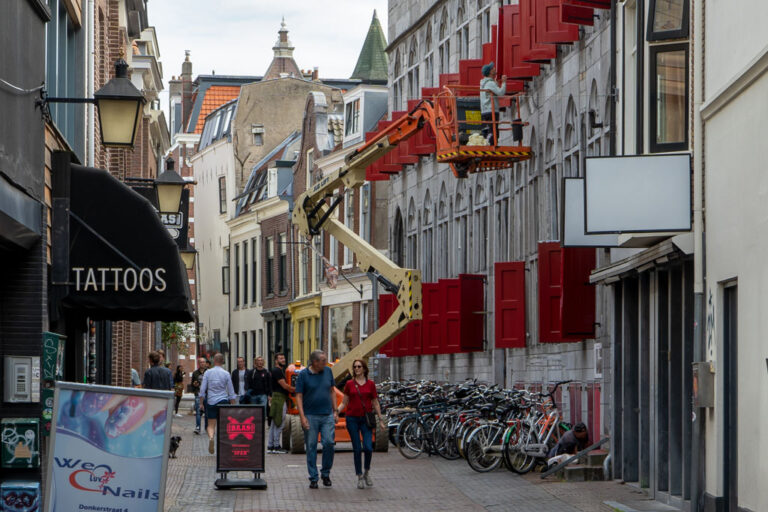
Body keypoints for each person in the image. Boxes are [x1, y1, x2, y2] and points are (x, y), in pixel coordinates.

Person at [295, 350, 338, 489]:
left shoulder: (328, 371)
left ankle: (325, 473)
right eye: (323, 361)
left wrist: (335, 410)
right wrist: (302, 416)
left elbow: (332, 390)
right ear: (314, 362)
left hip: (327, 414)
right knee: (311, 446)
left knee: (329, 443)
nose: (325, 363)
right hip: (310, 415)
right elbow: (299, 396)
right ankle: (313, 477)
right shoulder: (303, 375)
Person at [339, 359, 385, 489]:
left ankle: (366, 471)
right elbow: (344, 401)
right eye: (355, 367)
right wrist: (336, 411)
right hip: (352, 419)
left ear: (364, 369)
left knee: (368, 447)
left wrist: (381, 419)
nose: (357, 369)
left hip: (366, 419)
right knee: (357, 449)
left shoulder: (370, 384)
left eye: (359, 366)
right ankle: (359, 475)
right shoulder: (349, 384)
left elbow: (375, 402)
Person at [199, 353, 237, 454]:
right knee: (224, 424)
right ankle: (223, 445)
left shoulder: (208, 373)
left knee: (211, 425)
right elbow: (231, 391)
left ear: (214, 361)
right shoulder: (226, 373)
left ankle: (211, 438)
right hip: (223, 401)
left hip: (211, 401)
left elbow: (202, 389)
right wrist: (233, 404)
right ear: (222, 361)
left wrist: (201, 403)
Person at [268, 353, 293, 454]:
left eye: (284, 358)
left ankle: (271, 446)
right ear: (276, 361)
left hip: (277, 398)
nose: (283, 360)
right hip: (279, 399)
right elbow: (285, 386)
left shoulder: (278, 370)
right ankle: (276, 446)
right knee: (279, 422)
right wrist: (297, 389)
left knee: (274, 423)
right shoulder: (277, 371)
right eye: (281, 358)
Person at [479, 61, 507, 145]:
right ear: (490, 72)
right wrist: (504, 82)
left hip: (485, 111)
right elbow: (501, 93)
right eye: (493, 68)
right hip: (492, 111)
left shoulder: (483, 83)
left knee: (488, 130)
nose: (495, 69)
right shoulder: (490, 83)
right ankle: (491, 146)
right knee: (494, 132)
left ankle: (488, 144)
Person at [191, 357, 208, 434]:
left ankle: (207, 427)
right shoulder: (195, 373)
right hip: (198, 394)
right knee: (198, 411)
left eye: (204, 362)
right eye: (201, 362)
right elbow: (192, 384)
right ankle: (198, 427)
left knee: (207, 412)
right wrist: (195, 385)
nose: (202, 363)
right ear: (198, 363)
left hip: (207, 395)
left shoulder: (209, 372)